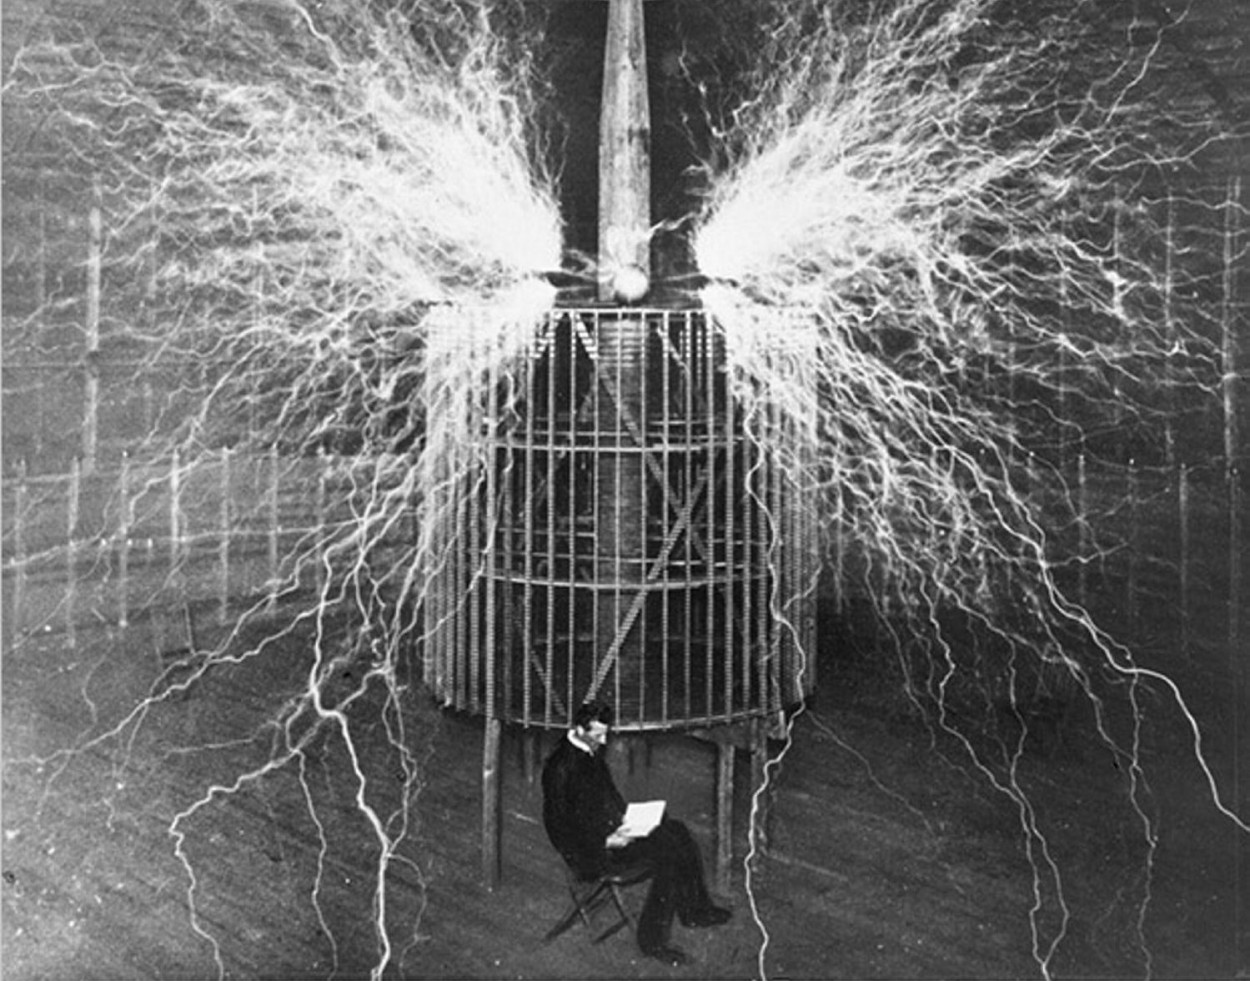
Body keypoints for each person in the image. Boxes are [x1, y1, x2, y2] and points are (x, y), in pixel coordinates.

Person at [542, 699, 732, 965]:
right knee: (666, 855)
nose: (604, 741)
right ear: (580, 729)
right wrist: (605, 841)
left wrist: (627, 818)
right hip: (590, 853)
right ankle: (652, 942)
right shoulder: (559, 768)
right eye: (599, 735)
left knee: (677, 830)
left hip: (615, 832)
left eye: (606, 733)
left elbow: (607, 797)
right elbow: (559, 829)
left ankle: (695, 910)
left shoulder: (589, 749)